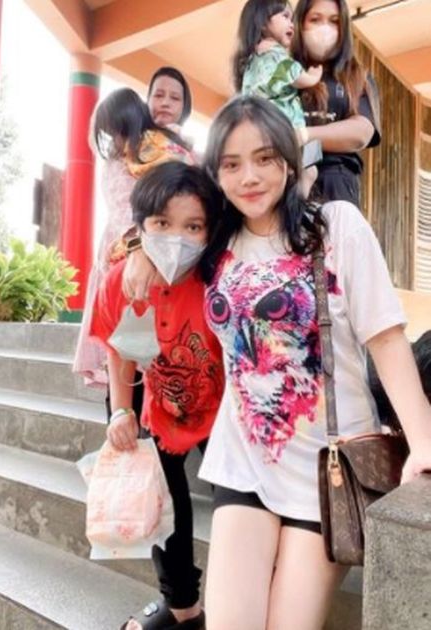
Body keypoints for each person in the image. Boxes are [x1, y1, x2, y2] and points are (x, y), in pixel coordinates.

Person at [124, 96, 431, 629]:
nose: (249, 177)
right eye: (232, 163)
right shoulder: (215, 241)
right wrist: (137, 247)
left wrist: (423, 442)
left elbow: (385, 339)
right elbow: (163, 214)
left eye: (264, 158)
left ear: (289, 161)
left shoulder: (334, 227)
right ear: (217, 173)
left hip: (327, 468)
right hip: (244, 460)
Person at [91, 162, 223, 630]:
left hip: (223, 412)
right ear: (141, 224)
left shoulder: (220, 275)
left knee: (238, 505)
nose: (176, 239)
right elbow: (120, 348)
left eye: (193, 227)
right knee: (163, 504)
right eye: (162, 224)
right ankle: (183, 608)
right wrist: (120, 411)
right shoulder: (123, 281)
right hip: (160, 406)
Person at [72, 88, 195, 389]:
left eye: (114, 130)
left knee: (130, 351)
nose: (113, 139)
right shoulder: (164, 147)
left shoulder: (138, 152)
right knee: (136, 355)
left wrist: (138, 245)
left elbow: (126, 212)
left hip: (136, 257)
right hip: (152, 256)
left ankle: (124, 409)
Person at [293, 0, 380, 203]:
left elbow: (361, 132)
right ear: (300, 24)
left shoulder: (357, 77)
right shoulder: (283, 73)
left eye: (334, 21)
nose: (324, 28)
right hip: (285, 179)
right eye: (315, 19)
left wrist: (302, 135)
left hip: (335, 181)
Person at [234, 0, 322, 195]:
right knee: (310, 170)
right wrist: (312, 77)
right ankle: (300, 201)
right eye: (285, 16)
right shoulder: (273, 52)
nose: (291, 24)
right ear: (263, 23)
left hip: (259, 129)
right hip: (284, 127)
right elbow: (292, 73)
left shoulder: (251, 61)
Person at [146, 66, 193, 136]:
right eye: (159, 95)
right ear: (148, 100)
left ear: (184, 106)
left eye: (175, 98)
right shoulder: (131, 136)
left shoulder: (187, 142)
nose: (165, 103)